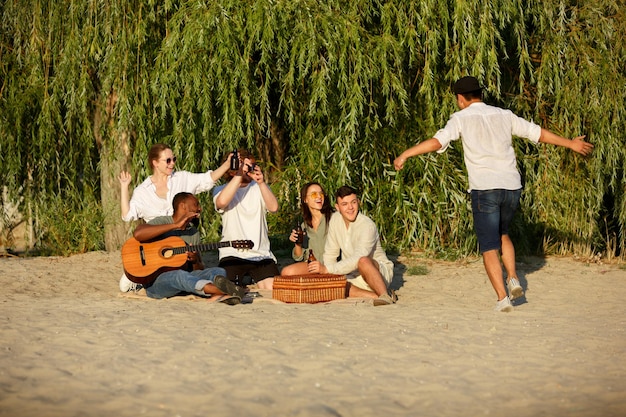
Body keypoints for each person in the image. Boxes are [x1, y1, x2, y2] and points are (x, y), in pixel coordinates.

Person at [394, 75, 594, 312]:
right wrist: (570, 144)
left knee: (489, 245)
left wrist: (406, 153)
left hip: (485, 188)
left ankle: (502, 298)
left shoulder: (460, 118)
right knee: (503, 233)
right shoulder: (504, 115)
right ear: (480, 94)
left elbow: (438, 142)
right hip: (511, 187)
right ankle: (512, 278)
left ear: (460, 98)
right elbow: (536, 133)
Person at [117, 143, 232, 292]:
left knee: (212, 272)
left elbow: (207, 179)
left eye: (174, 159)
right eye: (168, 160)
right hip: (153, 251)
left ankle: (213, 288)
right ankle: (141, 273)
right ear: (155, 163)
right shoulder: (142, 191)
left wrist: (227, 165)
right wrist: (124, 187)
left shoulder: (182, 178)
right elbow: (128, 216)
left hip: (180, 246)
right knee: (128, 285)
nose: (173, 164)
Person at [131, 192, 246, 304]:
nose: (199, 208)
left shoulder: (193, 233)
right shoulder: (163, 221)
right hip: (156, 283)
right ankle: (222, 290)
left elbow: (198, 270)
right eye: (196, 204)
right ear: (183, 206)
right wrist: (176, 225)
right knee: (179, 275)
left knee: (218, 271)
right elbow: (138, 234)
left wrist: (195, 260)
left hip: (186, 280)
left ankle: (218, 294)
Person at [316, 186, 396, 305]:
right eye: (344, 204)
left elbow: (358, 257)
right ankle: (378, 296)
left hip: (377, 273)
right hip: (352, 274)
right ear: (337, 207)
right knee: (333, 285)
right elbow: (330, 253)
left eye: (353, 202)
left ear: (358, 202)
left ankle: (383, 293)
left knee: (363, 261)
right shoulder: (335, 220)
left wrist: (328, 269)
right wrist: (328, 275)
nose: (350, 208)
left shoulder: (367, 226)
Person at [212, 149, 280, 290]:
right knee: (227, 288)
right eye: (245, 166)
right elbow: (222, 202)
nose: (249, 170)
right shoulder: (221, 189)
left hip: (260, 254)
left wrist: (261, 183)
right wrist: (239, 174)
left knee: (273, 287)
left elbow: (274, 208)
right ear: (231, 171)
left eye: (252, 166)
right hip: (232, 254)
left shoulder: (259, 188)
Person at [281, 182, 334, 276]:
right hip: (312, 266)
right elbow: (299, 258)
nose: (319, 196)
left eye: (321, 193)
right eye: (314, 194)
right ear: (305, 199)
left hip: (331, 266)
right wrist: (298, 243)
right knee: (286, 272)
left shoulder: (333, 219)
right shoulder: (304, 226)